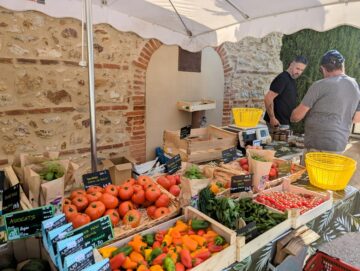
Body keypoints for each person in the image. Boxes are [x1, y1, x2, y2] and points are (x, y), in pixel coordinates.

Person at [291, 50, 360, 157]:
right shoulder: (355, 86)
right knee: (329, 174)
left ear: (323, 68)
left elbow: (296, 117)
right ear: (342, 66)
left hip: (316, 146)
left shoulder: (319, 85)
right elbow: (357, 118)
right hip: (339, 146)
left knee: (310, 174)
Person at [264, 56, 308, 130]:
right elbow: (268, 98)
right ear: (291, 64)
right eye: (297, 68)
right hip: (277, 123)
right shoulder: (283, 78)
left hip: (284, 122)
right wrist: (272, 118)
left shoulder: (292, 79)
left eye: (301, 70)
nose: (299, 72)